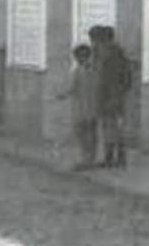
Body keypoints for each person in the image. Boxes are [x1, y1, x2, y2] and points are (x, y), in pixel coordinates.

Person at [91, 25, 134, 169]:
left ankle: (117, 157)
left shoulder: (114, 55)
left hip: (113, 97)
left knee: (114, 128)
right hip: (105, 96)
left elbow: (122, 78)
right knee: (109, 127)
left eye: (96, 40)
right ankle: (111, 156)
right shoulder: (101, 53)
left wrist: (116, 97)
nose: (94, 44)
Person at [56, 43, 100, 171]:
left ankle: (85, 159)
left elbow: (70, 88)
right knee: (92, 134)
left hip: (81, 109)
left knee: (81, 134)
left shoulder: (78, 71)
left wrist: (60, 95)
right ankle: (91, 158)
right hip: (93, 108)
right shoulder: (95, 71)